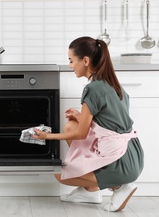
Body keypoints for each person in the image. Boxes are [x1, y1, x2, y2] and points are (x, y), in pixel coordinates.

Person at [32, 36, 144, 212]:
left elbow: (81, 134)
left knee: (60, 174)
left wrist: (47, 136)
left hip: (122, 164)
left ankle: (119, 187)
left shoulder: (92, 89)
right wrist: (80, 115)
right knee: (70, 125)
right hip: (133, 155)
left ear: (85, 60)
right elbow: (112, 123)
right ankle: (91, 192)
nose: (70, 65)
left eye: (71, 60)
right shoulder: (112, 84)